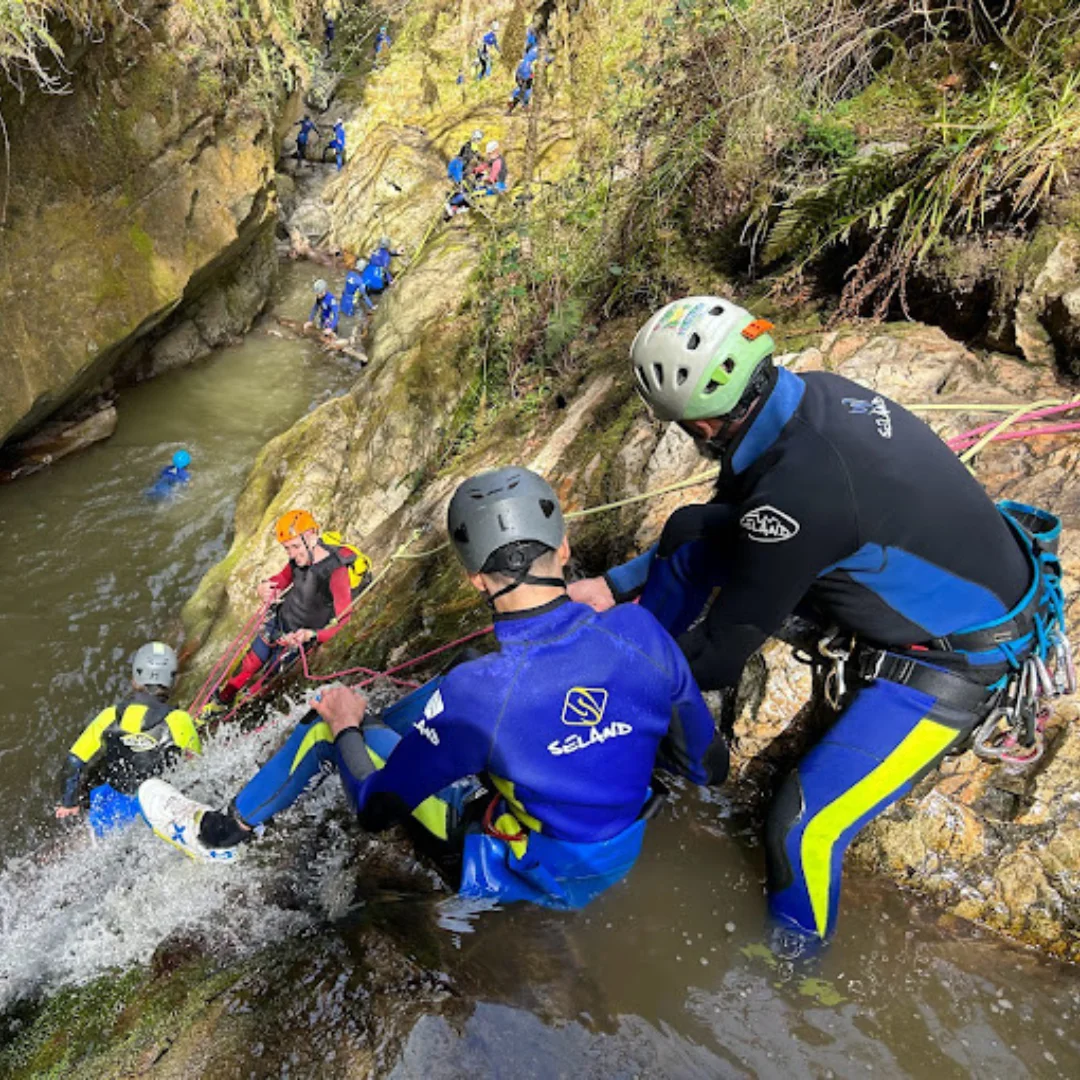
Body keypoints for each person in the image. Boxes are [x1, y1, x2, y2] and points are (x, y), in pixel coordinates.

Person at [569, 295, 1072, 943]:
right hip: (944, 564)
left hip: (959, 660)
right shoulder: (814, 395)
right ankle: (652, 741)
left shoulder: (799, 497)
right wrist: (611, 588)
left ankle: (797, 979)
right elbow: (724, 521)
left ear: (697, 426)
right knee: (686, 528)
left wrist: (609, 675)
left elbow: (721, 658)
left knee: (802, 827)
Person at [166, 468, 729, 909]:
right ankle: (387, 734)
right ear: (562, 551)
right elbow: (707, 765)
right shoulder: (638, 632)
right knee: (455, 690)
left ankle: (223, 833)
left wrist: (345, 727)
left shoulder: (477, 692)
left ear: (475, 580)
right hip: (617, 850)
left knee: (325, 729)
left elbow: (375, 809)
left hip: (528, 869)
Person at [199, 510, 366, 721]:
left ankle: (238, 713)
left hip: (299, 638)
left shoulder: (335, 570)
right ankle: (221, 703)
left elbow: (345, 622)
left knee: (266, 681)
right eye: (287, 548)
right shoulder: (298, 558)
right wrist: (264, 587)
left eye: (295, 546)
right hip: (280, 621)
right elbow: (282, 579)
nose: (292, 554)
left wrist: (312, 636)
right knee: (249, 664)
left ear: (312, 535)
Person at [56, 643, 202, 836]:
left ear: (135, 678)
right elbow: (197, 769)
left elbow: (73, 762)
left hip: (109, 809)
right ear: (171, 680)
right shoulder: (179, 720)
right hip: (153, 810)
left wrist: (69, 803)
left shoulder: (110, 715)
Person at [507, 46, 538, 113]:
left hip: (520, 70)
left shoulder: (530, 51)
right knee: (526, 89)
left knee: (522, 89)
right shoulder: (540, 50)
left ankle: (513, 100)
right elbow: (546, 59)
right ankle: (523, 103)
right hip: (526, 71)